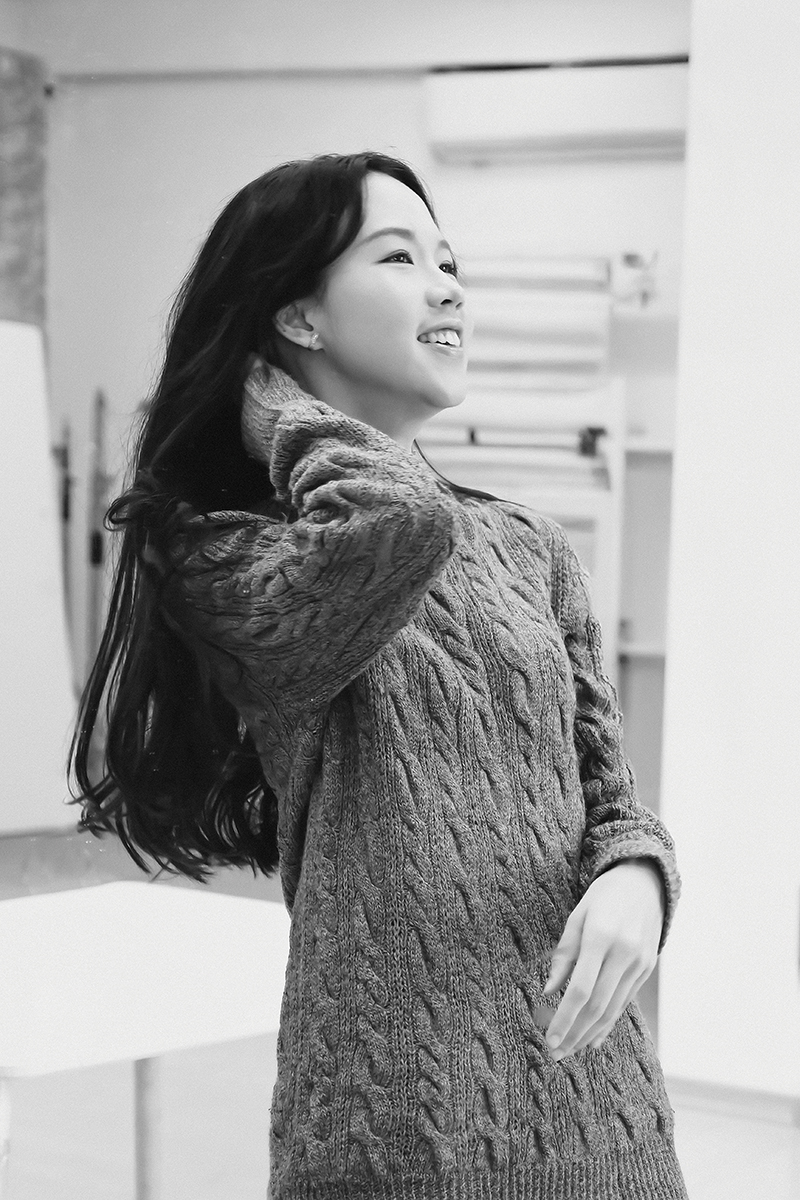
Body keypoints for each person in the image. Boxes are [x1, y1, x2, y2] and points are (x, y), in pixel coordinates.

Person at [68, 151, 689, 1199]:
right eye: (400, 258)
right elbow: (396, 525)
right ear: (296, 315)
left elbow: (612, 803)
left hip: (603, 1103)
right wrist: (268, 402)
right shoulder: (224, 552)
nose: (448, 288)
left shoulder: (531, 545)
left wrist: (639, 877)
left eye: (450, 263)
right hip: (393, 1125)